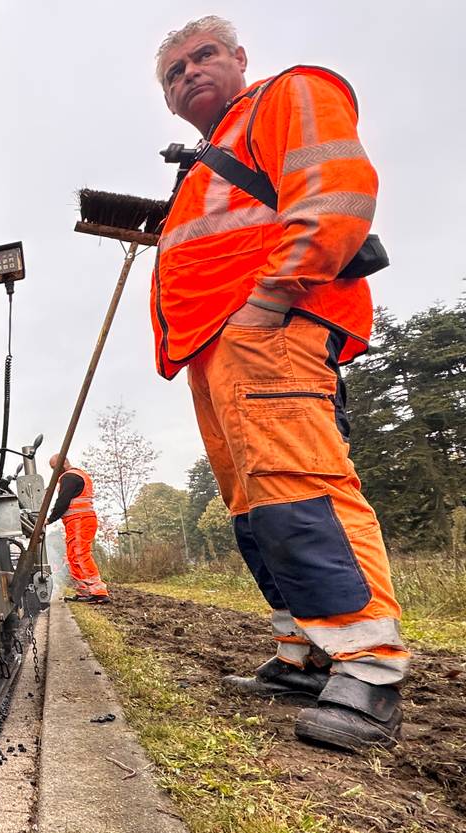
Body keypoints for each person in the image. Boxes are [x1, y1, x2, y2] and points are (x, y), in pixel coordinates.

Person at [151, 16, 406, 751]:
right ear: (168, 101)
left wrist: (271, 299)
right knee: (254, 506)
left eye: (202, 57)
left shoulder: (287, 96)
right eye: (174, 72)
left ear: (239, 59)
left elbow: (337, 192)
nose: (189, 73)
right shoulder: (207, 158)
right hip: (214, 348)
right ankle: (304, 654)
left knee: (300, 484)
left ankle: (370, 668)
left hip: (267, 327)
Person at [46, 455, 109, 603]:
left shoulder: (69, 477)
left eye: (55, 468)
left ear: (63, 463)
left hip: (81, 520)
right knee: (73, 556)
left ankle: (98, 591)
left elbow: (63, 501)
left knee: (80, 554)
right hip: (77, 521)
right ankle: (84, 592)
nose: (54, 472)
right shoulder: (76, 476)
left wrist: (50, 519)